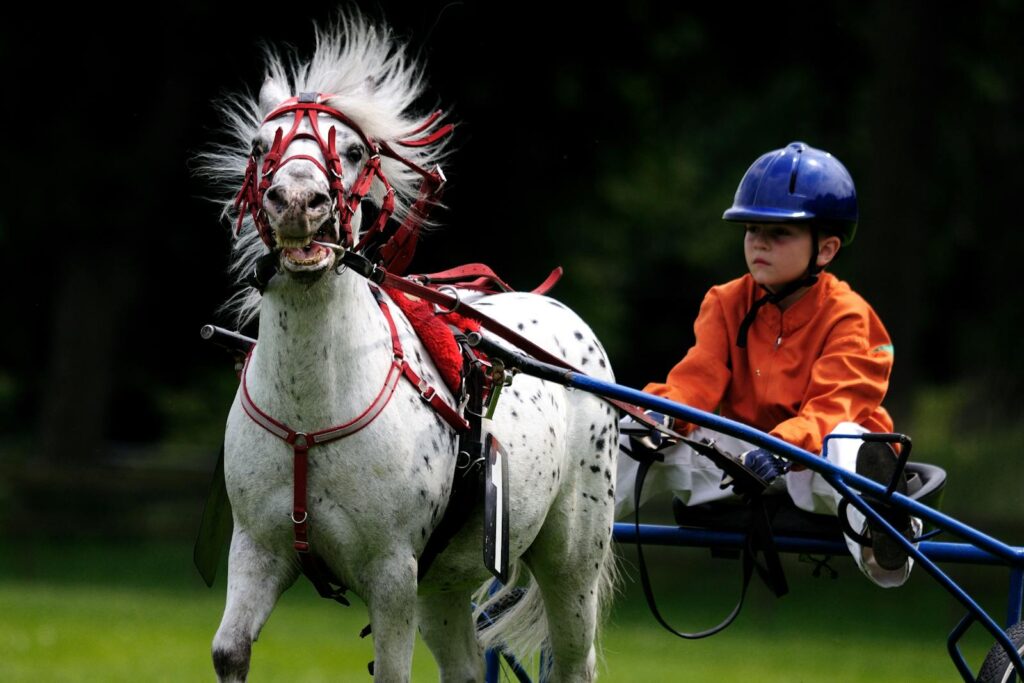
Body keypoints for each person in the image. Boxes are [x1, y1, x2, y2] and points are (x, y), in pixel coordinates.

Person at [616, 141, 919, 588]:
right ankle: (565, 538)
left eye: (779, 233)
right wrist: (660, 416)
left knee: (847, 439)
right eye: (751, 228)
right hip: (745, 465)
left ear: (827, 249)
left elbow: (833, 408)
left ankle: (887, 543)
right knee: (632, 429)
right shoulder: (724, 301)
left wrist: (781, 448)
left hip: (817, 469)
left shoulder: (850, 316)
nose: (759, 241)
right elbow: (696, 383)